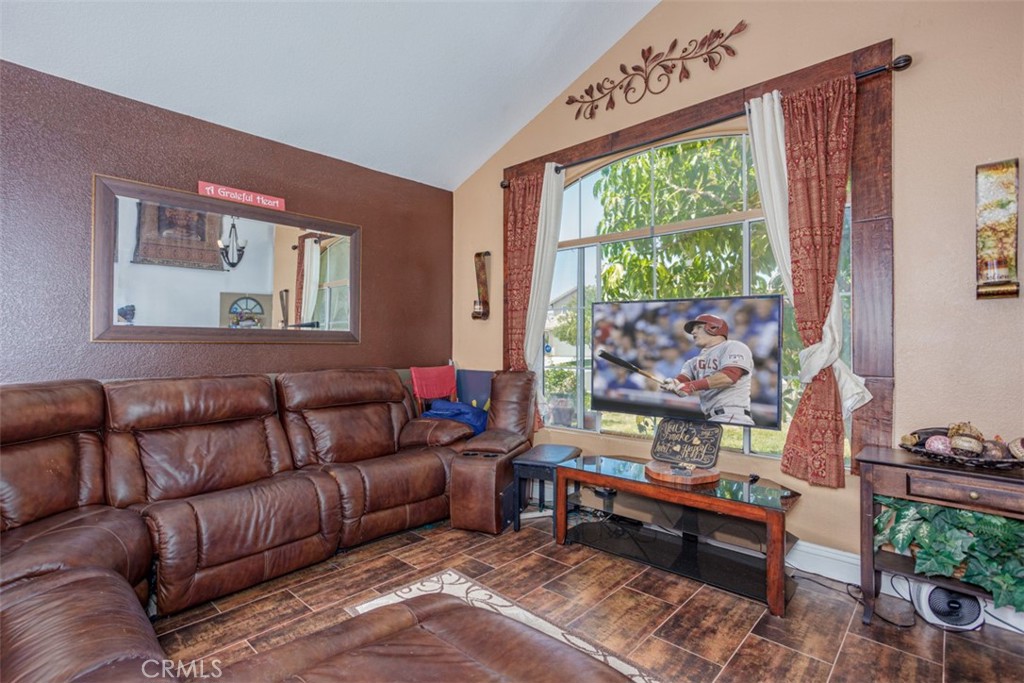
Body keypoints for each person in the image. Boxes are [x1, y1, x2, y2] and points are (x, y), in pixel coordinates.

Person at [659, 313, 755, 426]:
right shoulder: (692, 361)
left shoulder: (733, 346)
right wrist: (673, 384)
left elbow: (729, 376)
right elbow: (682, 382)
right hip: (710, 418)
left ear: (713, 328)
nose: (693, 332)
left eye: (698, 327)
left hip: (733, 416)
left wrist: (691, 386)